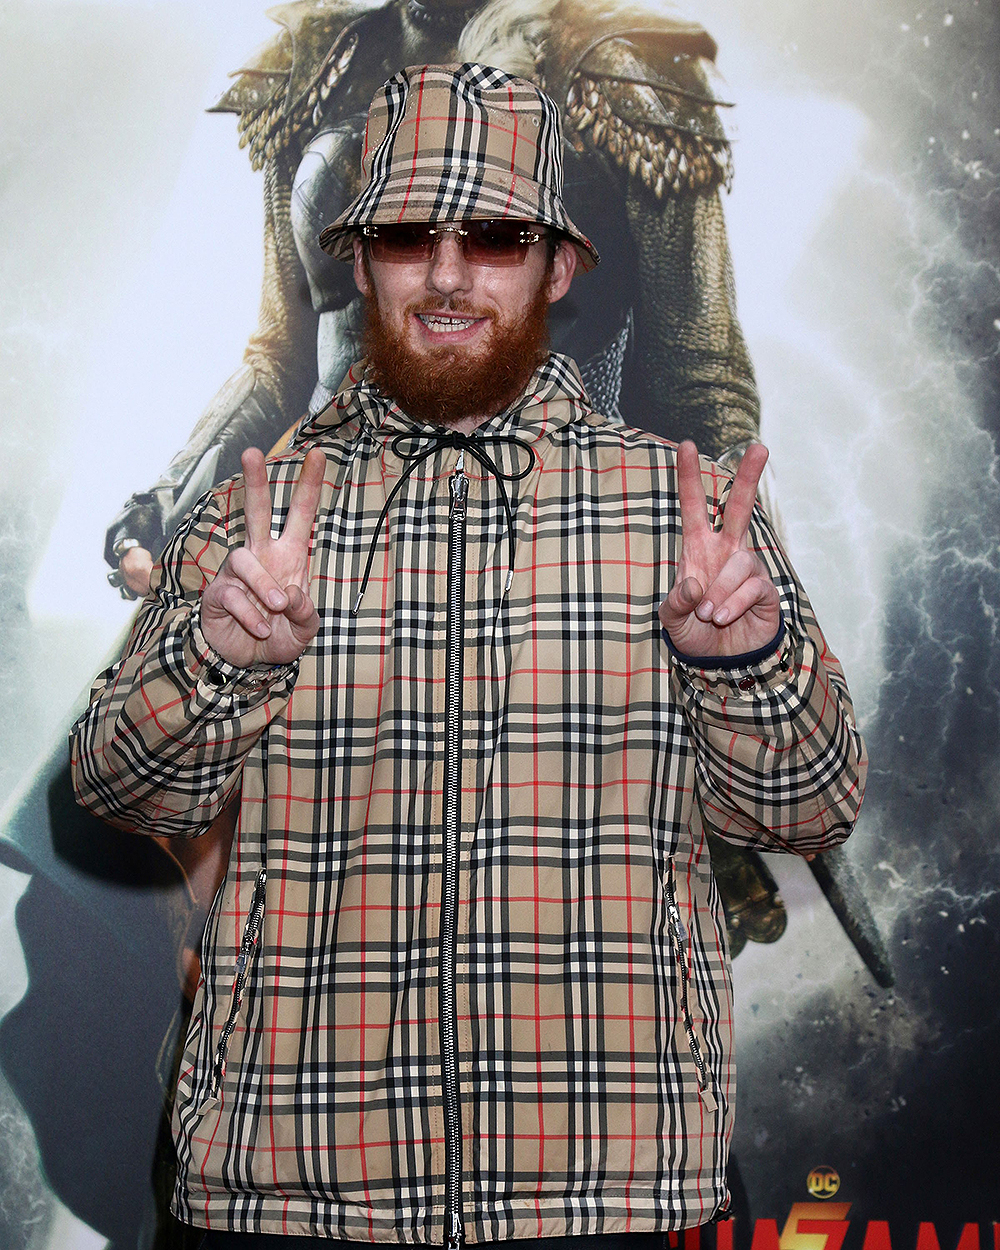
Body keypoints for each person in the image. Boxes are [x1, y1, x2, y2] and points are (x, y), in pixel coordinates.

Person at [71, 64, 866, 1248]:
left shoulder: (674, 510)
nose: (446, 274)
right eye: (407, 235)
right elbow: (116, 785)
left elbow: (813, 803)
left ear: (559, 265)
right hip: (284, 1201)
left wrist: (743, 655)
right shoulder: (258, 518)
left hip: (610, 1198)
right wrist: (221, 657)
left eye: (493, 236)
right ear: (360, 260)